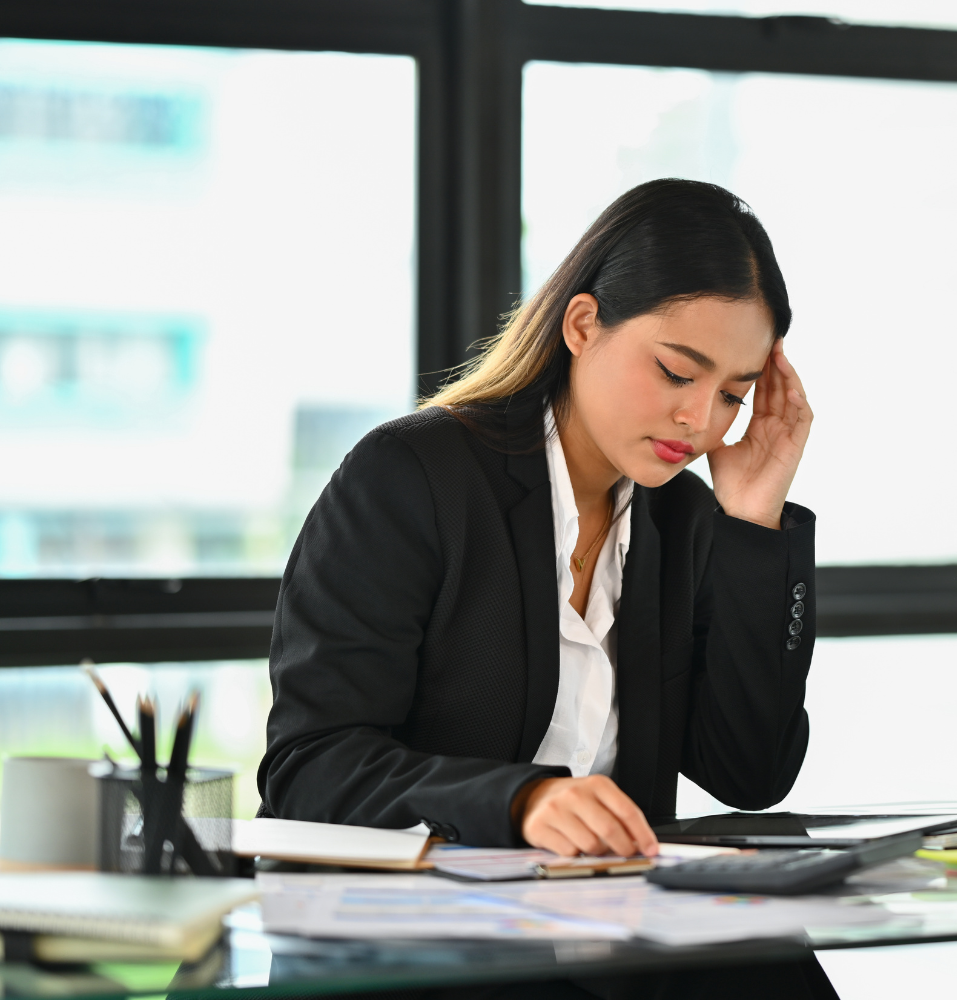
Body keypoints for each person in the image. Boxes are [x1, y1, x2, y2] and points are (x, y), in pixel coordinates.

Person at [257, 179, 835, 999]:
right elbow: (310, 769)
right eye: (678, 372)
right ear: (583, 323)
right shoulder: (410, 477)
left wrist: (751, 522)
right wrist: (519, 801)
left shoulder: (685, 520)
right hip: (427, 942)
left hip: (608, 940)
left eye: (734, 395)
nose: (700, 422)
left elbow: (750, 772)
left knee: (774, 964)